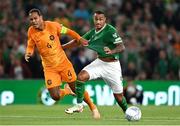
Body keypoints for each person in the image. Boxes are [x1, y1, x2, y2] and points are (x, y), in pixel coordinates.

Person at [25, 8, 100, 119]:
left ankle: (93, 108)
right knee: (55, 96)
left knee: (77, 88)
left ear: (41, 17)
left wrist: (79, 38)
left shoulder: (53, 26)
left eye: (35, 18)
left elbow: (69, 32)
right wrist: (28, 52)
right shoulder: (31, 31)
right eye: (31, 19)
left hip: (63, 64)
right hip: (49, 68)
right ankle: (66, 91)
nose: (34, 21)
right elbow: (30, 44)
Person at [63, 10, 128, 116]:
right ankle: (79, 105)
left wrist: (112, 51)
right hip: (100, 63)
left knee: (119, 97)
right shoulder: (92, 32)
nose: (98, 21)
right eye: (96, 19)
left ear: (105, 20)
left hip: (112, 66)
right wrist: (62, 47)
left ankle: (127, 112)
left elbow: (121, 47)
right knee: (81, 77)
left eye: (101, 19)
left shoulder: (110, 31)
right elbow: (78, 41)